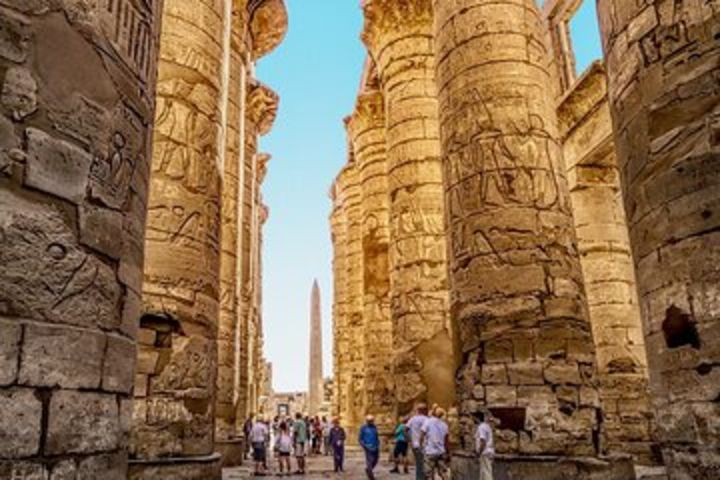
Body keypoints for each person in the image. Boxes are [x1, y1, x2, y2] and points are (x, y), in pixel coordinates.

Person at [420, 408, 450, 480]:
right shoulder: (445, 425)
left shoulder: (428, 422)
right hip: (441, 452)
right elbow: (446, 441)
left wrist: (421, 446)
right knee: (443, 472)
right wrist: (447, 452)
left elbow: (422, 434)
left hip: (430, 451)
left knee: (428, 473)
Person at [407, 403, 429, 480]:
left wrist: (409, 439)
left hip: (415, 445)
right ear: (424, 410)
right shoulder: (427, 419)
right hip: (424, 445)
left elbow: (405, 429)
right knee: (423, 465)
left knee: (419, 464)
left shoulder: (412, 419)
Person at [359, 415, 381, 480]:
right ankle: (371, 476)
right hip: (368, 447)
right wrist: (364, 445)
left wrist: (378, 443)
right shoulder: (363, 428)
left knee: (376, 460)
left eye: (372, 421)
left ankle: (368, 469)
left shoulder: (374, 427)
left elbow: (376, 436)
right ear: (367, 421)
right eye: (370, 421)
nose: (371, 422)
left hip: (375, 446)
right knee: (370, 461)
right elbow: (360, 438)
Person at [475, 412, 495, 480]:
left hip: (484, 452)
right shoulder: (487, 426)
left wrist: (479, 452)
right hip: (488, 451)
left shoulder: (481, 427)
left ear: (477, 419)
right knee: (483, 473)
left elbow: (483, 441)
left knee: (486, 473)